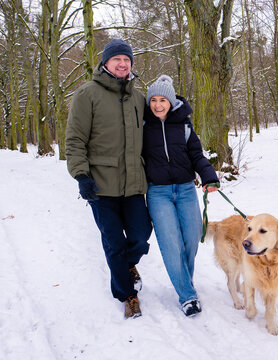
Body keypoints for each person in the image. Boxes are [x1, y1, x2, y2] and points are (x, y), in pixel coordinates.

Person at [65, 39, 152, 319]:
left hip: (134, 183)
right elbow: (75, 140)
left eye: (127, 60)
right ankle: (128, 295)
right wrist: (81, 175)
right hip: (100, 186)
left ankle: (128, 264)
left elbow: (154, 133)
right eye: (117, 59)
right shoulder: (86, 94)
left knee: (140, 236)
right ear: (105, 63)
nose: (123, 64)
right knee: (113, 242)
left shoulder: (139, 98)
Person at [142, 75, 219, 317]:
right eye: (153, 100)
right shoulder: (143, 125)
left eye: (162, 99)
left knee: (192, 237)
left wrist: (208, 176)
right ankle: (187, 295)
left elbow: (196, 154)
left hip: (186, 189)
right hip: (158, 192)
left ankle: (184, 280)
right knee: (170, 243)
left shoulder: (184, 124)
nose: (157, 105)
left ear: (171, 101)